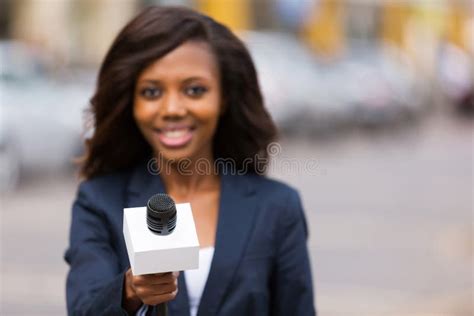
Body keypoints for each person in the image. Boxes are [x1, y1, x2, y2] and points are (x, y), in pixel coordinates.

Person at [64, 5, 316, 316]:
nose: (172, 108)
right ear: (131, 102)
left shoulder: (277, 207)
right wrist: (130, 292)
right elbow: (83, 309)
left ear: (224, 98)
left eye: (194, 90)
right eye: (152, 91)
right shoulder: (99, 200)